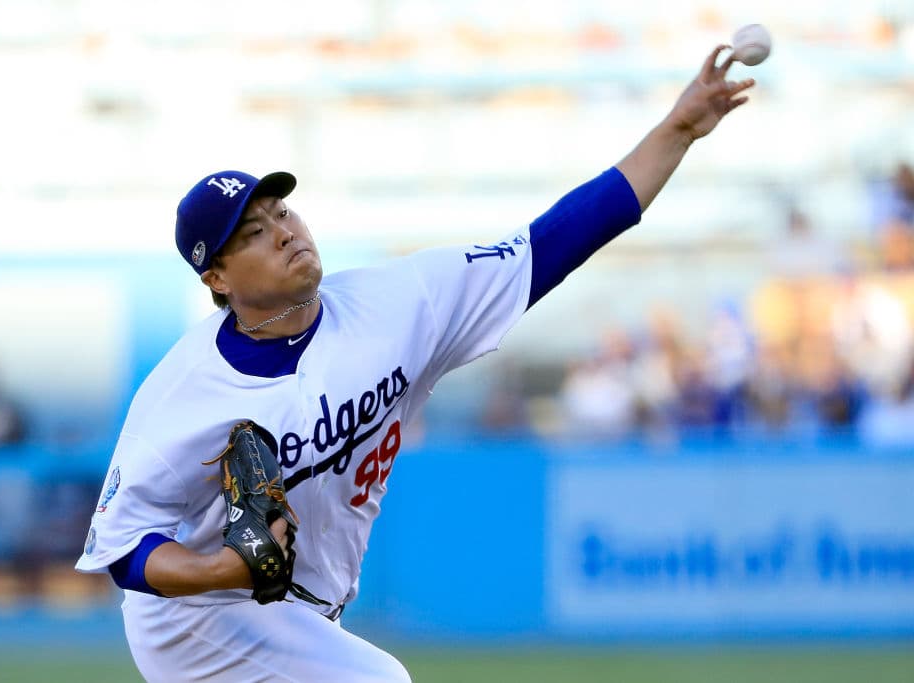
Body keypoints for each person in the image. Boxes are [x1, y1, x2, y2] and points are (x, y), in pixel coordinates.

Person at [75, 46, 754, 682]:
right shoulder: (181, 397)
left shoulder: (399, 306)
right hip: (196, 619)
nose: (285, 232)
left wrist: (677, 131)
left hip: (299, 611)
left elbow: (550, 244)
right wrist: (218, 569)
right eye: (255, 232)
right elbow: (124, 547)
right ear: (218, 278)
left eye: (283, 211)